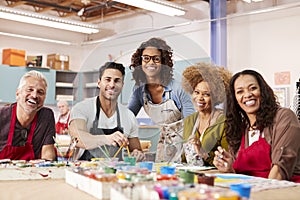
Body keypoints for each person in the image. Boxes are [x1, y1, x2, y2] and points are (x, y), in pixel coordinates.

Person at [213, 69, 300, 182]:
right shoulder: (239, 127)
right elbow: (241, 174)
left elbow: (280, 169)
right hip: (251, 188)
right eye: (240, 92)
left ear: (263, 91)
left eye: (253, 88)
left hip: (283, 190)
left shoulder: (283, 117)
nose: (247, 95)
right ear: (235, 99)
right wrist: (229, 168)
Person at [128, 37, 195, 163]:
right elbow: (128, 118)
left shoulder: (178, 88)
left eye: (156, 59)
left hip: (186, 141)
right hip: (164, 140)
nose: (151, 62)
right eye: (146, 58)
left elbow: (191, 125)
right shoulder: (139, 90)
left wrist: (188, 152)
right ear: (140, 62)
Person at [69, 62, 144, 161]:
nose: (112, 85)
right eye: (107, 80)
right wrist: (107, 139)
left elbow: (136, 150)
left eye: (117, 81)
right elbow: (77, 138)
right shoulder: (82, 109)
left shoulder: (129, 116)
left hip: (115, 173)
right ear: (99, 83)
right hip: (84, 171)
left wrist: (137, 154)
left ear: (122, 85)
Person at [181, 62, 231, 166]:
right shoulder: (189, 121)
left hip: (216, 176)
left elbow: (228, 160)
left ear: (216, 96)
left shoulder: (224, 122)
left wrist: (203, 153)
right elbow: (184, 157)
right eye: (196, 92)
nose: (200, 98)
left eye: (206, 94)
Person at [0, 70, 56, 161]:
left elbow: (48, 156)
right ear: (18, 93)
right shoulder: (2, 115)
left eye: (40, 92)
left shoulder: (46, 116)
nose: (34, 95)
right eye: (30, 89)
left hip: (33, 173)